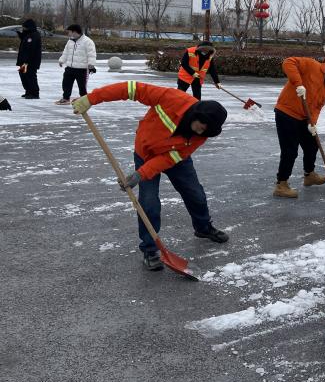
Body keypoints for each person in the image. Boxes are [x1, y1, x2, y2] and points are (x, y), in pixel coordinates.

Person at [72, 81, 229, 271]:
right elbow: (130, 88)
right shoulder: (172, 98)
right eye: (201, 126)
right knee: (149, 203)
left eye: (206, 131)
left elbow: (169, 159)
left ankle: (203, 228)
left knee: (195, 193)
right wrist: (91, 98)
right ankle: (150, 249)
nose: (201, 132)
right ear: (197, 115)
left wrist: (141, 174)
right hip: (145, 153)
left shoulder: (202, 135)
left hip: (175, 157)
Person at [273, 57, 325, 199]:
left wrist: (312, 123)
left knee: (312, 145)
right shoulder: (312, 65)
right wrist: (298, 84)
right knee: (290, 151)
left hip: (304, 118)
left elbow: (317, 107)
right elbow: (288, 62)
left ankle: (309, 175)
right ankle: (281, 184)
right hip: (286, 112)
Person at [56, 24, 97, 105]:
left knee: (82, 86)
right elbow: (66, 52)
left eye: (69, 32)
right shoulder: (70, 41)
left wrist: (91, 65)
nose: (68, 33)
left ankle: (84, 99)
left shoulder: (87, 41)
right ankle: (66, 98)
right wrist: (61, 60)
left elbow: (91, 54)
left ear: (74, 32)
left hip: (82, 69)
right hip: (70, 68)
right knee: (66, 83)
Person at [16, 18, 41, 99]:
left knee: (30, 76)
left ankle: (34, 93)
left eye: (24, 27)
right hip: (24, 61)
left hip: (30, 62)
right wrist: (21, 35)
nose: (23, 28)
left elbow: (30, 48)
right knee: (23, 75)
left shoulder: (34, 35)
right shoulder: (28, 34)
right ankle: (28, 91)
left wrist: (27, 61)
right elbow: (26, 41)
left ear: (29, 27)